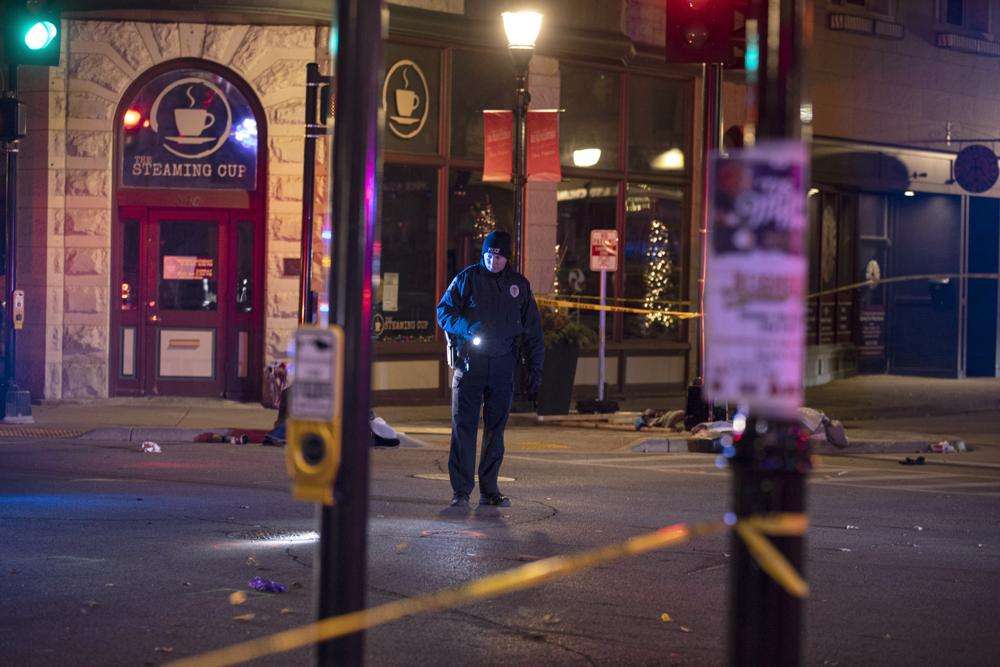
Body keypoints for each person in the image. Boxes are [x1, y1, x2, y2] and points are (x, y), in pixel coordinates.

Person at [436, 230, 544, 508]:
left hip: (502, 367)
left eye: (498, 256)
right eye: (489, 254)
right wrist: (467, 327)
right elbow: (443, 312)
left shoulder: (519, 286)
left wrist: (536, 369)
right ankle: (460, 491)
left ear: (507, 258)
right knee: (464, 429)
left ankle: (489, 489)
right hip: (469, 364)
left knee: (496, 430)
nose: (493, 260)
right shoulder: (468, 278)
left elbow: (533, 332)